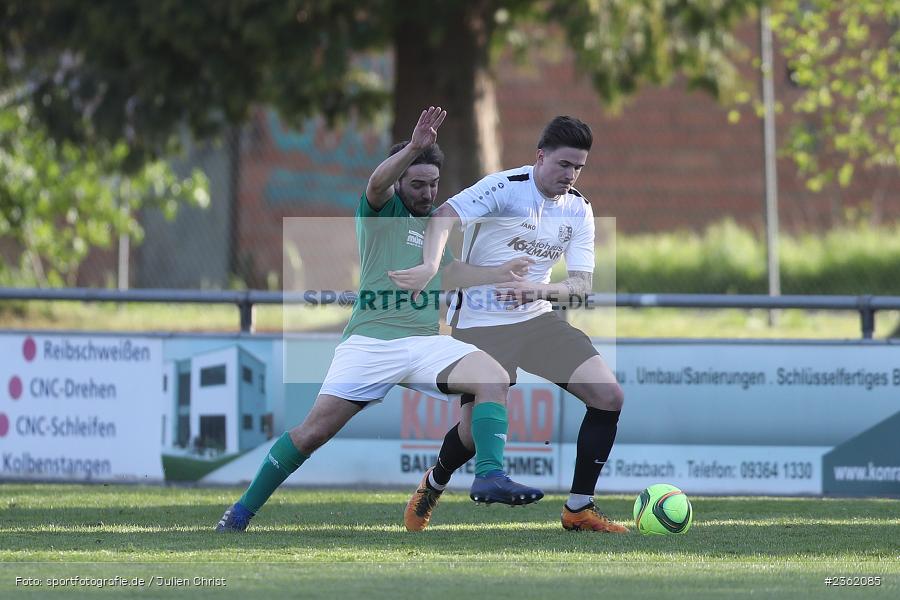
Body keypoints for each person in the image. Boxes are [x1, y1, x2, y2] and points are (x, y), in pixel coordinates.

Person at [216, 106, 543, 532]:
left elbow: (449, 274)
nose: (427, 194)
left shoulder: (435, 228)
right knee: (313, 432)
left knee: (494, 377)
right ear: (402, 180)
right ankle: (240, 512)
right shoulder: (381, 213)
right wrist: (414, 147)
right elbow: (376, 182)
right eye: (418, 184)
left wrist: (499, 273)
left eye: (433, 185)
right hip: (370, 344)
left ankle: (489, 476)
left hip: (424, 344)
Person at [389, 116, 627, 534]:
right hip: (481, 325)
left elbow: (581, 286)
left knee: (609, 396)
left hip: (537, 321)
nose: (570, 176)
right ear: (541, 157)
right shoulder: (506, 187)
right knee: (468, 435)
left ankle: (579, 509)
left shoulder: (579, 209)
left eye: (579, 168)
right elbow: (443, 214)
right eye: (564, 165)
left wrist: (538, 292)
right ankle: (433, 483)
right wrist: (431, 264)